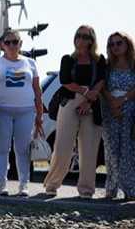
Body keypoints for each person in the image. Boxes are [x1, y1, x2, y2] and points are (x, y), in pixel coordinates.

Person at [43, 26, 107, 198]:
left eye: (85, 36)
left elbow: (101, 81)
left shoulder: (99, 60)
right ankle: (52, 184)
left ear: (91, 40)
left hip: (92, 104)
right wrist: (85, 93)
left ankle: (86, 189)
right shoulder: (68, 59)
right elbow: (65, 81)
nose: (81, 39)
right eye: (78, 35)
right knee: (62, 147)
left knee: (89, 149)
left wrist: (89, 99)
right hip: (70, 102)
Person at [0, 29, 43, 196]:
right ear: (2, 45)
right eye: (8, 42)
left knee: (22, 149)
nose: (12, 45)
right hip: (2, 111)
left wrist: (40, 114)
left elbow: (37, 90)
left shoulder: (30, 63)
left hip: (26, 112)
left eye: (15, 42)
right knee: (2, 148)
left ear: (21, 44)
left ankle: (24, 185)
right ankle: (2, 185)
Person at [101, 32, 135, 200]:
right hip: (110, 110)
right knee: (112, 149)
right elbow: (103, 87)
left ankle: (130, 190)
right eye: (112, 44)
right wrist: (112, 102)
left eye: (119, 43)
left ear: (127, 44)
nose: (115, 47)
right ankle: (111, 188)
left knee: (128, 150)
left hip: (130, 110)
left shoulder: (133, 65)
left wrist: (124, 99)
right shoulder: (107, 67)